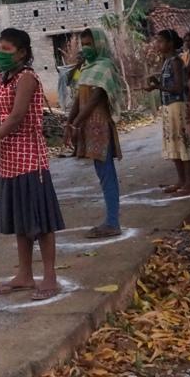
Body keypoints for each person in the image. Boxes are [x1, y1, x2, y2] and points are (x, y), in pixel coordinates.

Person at [0, 28, 65, 301]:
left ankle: (49, 276)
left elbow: (16, 118)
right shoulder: (0, 80)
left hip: (30, 159)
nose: (1, 54)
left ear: (22, 52)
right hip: (8, 162)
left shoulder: (28, 78)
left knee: (41, 221)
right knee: (20, 221)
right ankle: (24, 274)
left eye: (7, 50)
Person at [65, 28, 124, 239]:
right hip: (87, 126)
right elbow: (78, 97)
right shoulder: (87, 68)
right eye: (84, 44)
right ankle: (111, 219)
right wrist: (70, 121)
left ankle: (112, 222)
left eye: (89, 44)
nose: (86, 48)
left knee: (106, 173)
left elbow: (96, 97)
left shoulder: (106, 67)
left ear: (99, 44)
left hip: (99, 126)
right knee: (102, 172)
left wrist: (77, 122)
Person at [148, 29, 190, 196]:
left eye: (160, 41)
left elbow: (178, 87)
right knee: (174, 143)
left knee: (182, 142)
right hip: (169, 106)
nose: (157, 44)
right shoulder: (166, 61)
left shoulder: (176, 61)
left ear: (170, 43)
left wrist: (158, 86)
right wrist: (158, 83)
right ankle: (181, 181)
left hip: (177, 105)